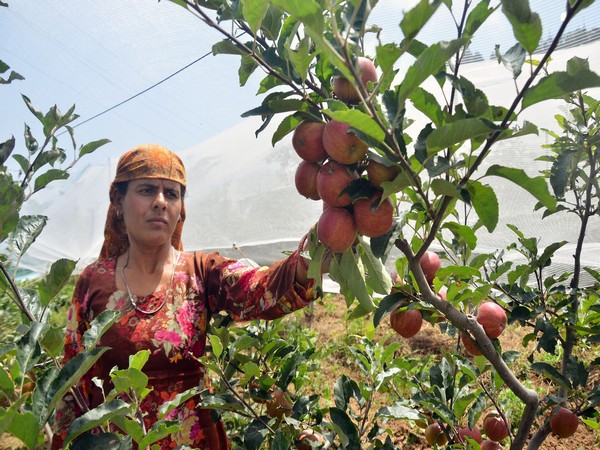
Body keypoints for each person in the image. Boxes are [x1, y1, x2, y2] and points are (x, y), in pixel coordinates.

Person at [51, 144, 320, 449]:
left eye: (172, 194)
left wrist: (319, 245)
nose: (160, 202)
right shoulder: (93, 281)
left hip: (193, 440)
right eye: (146, 190)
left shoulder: (201, 272)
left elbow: (261, 289)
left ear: (180, 209)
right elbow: (71, 383)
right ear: (118, 200)